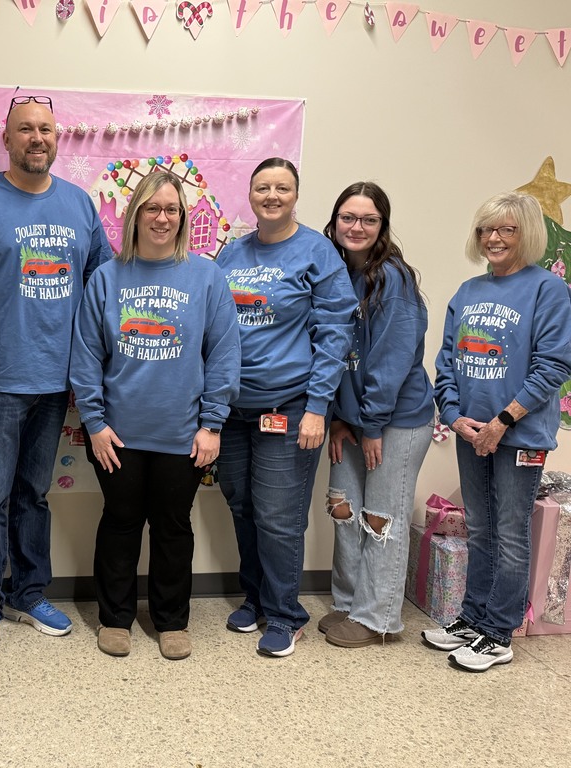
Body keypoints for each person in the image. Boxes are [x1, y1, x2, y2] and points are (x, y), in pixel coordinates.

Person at [0, 95, 112, 658]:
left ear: (58, 139)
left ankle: (28, 593)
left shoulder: (81, 205)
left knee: (33, 495)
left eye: (46, 129)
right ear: (6, 139)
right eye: (25, 129)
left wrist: (99, 375)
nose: (37, 137)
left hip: (58, 382)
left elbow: (105, 286)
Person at [71, 170, 240, 660]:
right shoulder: (107, 277)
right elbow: (85, 356)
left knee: (173, 526)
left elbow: (225, 354)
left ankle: (171, 620)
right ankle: (115, 618)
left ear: (182, 218)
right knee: (120, 522)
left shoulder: (206, 276)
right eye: (152, 208)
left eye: (171, 209)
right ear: (135, 216)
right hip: (117, 434)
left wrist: (212, 424)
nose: (162, 218)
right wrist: (95, 424)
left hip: (182, 433)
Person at [215, 158, 357, 658]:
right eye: (262, 187)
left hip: (291, 407)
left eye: (282, 187)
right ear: (250, 194)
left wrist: (318, 407)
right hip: (233, 411)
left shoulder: (317, 252)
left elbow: (335, 333)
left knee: (278, 515)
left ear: (295, 195)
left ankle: (285, 613)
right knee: (243, 506)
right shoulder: (230, 253)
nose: (271, 195)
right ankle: (255, 598)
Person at [425, 191, 571, 671]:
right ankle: (472, 619)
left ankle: (499, 632)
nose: (493, 238)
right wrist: (453, 414)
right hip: (471, 433)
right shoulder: (467, 292)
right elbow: (447, 361)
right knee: (481, 529)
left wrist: (503, 421)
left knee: (510, 534)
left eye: (506, 229)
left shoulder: (548, 290)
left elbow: (553, 366)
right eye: (486, 229)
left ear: (525, 234)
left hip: (519, 438)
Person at [320, 182, 434, 648]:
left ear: (382, 226)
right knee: (344, 510)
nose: (357, 227)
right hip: (353, 420)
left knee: (381, 518)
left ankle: (378, 619)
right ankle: (348, 603)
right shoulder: (333, 270)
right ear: (335, 220)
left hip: (395, 421)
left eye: (369, 219)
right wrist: (339, 417)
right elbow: (331, 352)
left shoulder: (393, 279)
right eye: (348, 217)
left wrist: (370, 424)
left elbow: (390, 363)